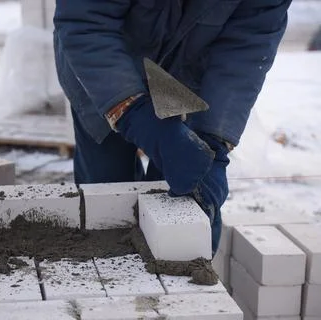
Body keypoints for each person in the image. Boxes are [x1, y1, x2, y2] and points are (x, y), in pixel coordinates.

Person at [53, 0, 292, 255]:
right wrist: (129, 109)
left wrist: (213, 138)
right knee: (104, 197)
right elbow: (87, 22)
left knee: (184, 198)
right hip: (100, 66)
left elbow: (246, 48)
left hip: (186, 76)